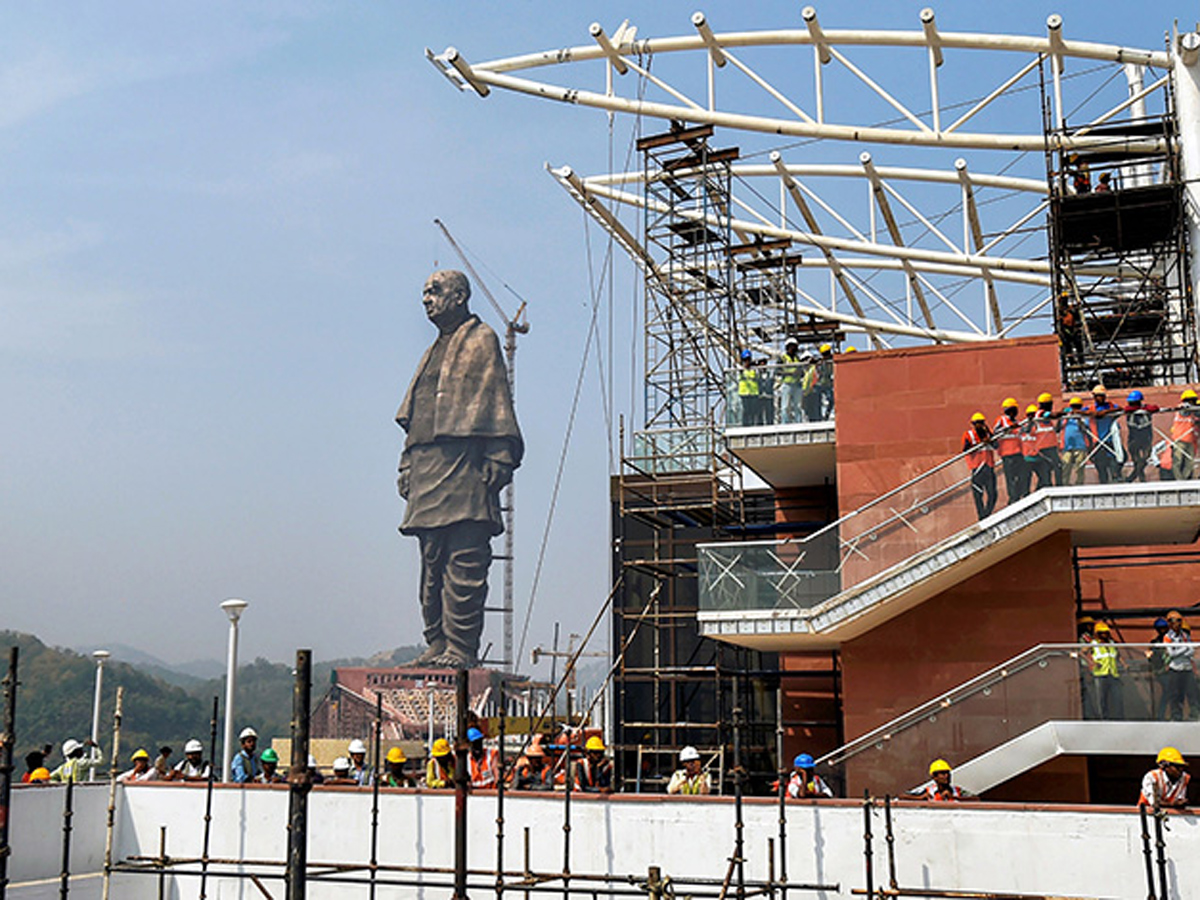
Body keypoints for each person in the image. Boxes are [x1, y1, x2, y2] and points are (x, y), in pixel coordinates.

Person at [396, 270, 524, 669]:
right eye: (424, 292)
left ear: (460, 296)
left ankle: (461, 648)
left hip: (465, 466)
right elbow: (416, 413)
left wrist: (499, 457)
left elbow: (497, 402)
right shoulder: (433, 349)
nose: (426, 300)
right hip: (427, 467)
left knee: (465, 561)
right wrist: (405, 463)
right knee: (430, 564)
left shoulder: (481, 339)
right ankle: (436, 641)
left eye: (434, 291)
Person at [1162, 611, 1200, 721]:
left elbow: (1191, 651)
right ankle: (1176, 716)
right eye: (1175, 621)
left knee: (1193, 693)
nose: (1178, 623)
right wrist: (1185, 648)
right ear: (1170, 623)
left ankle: (1195, 715)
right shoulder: (1167, 637)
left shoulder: (1185, 635)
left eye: (1179, 621)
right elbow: (1172, 653)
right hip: (1176, 669)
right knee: (1175, 695)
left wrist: (1181, 649)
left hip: (1187, 668)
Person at [962, 412, 996, 520]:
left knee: (993, 494)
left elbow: (996, 446)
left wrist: (989, 437)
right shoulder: (969, 435)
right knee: (978, 494)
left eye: (981, 423)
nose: (980, 425)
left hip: (989, 466)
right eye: (978, 423)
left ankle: (986, 514)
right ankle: (981, 516)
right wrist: (980, 444)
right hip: (977, 468)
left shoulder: (988, 434)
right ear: (973, 424)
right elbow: (966, 449)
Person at [993, 399, 1026, 503]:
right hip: (1007, 454)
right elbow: (995, 432)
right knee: (1010, 478)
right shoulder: (1001, 420)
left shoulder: (1017, 422)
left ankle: (1019, 494)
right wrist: (1008, 428)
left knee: (1022, 476)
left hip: (1018, 453)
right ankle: (1013, 498)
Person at [1090, 623, 1124, 720]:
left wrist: (1124, 664)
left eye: (1106, 632)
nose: (1105, 634)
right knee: (1101, 699)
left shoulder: (1112, 643)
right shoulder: (1094, 644)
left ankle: (1119, 718)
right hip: (1100, 675)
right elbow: (1082, 652)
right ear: (1098, 634)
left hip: (1113, 674)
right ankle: (1103, 719)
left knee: (1117, 698)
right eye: (1102, 633)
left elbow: (1117, 655)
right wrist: (1091, 663)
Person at [1087, 386, 1122, 483]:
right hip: (1098, 443)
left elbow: (1120, 409)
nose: (1100, 398)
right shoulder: (1091, 408)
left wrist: (1105, 412)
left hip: (1111, 441)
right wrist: (1094, 413)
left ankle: (1116, 482)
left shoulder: (1110, 406)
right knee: (1102, 470)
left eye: (1102, 396)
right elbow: (1081, 411)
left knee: (1115, 465)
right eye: (1098, 396)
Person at [1164, 389, 1200, 481]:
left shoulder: (1193, 412)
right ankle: (1179, 480)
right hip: (1179, 439)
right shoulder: (1182, 409)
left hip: (1190, 440)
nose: (1194, 403)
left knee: (1190, 462)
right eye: (1192, 400)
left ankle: (1183, 479)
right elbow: (1184, 411)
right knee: (1177, 461)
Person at [1030, 393, 1061, 488]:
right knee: (1055, 466)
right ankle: (1058, 485)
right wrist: (1063, 412)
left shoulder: (1047, 420)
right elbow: (1053, 415)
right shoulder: (1040, 413)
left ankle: (1048, 486)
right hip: (1044, 447)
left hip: (1051, 446)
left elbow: (1055, 430)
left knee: (1050, 468)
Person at [907, 759, 975, 802]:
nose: (947, 776)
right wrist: (920, 798)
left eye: (947, 773)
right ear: (934, 777)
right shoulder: (929, 791)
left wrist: (954, 797)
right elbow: (901, 796)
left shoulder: (957, 791)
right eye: (943, 773)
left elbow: (976, 799)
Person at [1059, 397, 1091, 486]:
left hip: (1080, 445)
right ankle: (1065, 483)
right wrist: (1064, 415)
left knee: (1080, 466)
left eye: (1077, 407)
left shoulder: (1083, 417)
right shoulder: (1066, 417)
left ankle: (1079, 483)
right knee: (1066, 466)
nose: (1075, 409)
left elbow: (1085, 429)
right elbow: (1058, 428)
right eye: (1073, 407)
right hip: (1067, 446)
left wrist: (1079, 418)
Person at [1147, 617, 1172, 719]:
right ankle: (1161, 715)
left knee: (1172, 692)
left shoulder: (1171, 640)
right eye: (1161, 628)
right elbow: (1151, 657)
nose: (1163, 630)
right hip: (1161, 672)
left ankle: (1170, 714)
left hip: (1172, 670)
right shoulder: (1155, 642)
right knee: (1168, 691)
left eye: (1164, 628)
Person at [778, 340, 805, 424]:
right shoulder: (783, 358)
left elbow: (802, 372)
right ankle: (785, 424)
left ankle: (799, 423)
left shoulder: (797, 358)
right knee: (785, 406)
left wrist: (799, 373)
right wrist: (790, 373)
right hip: (787, 384)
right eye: (792, 346)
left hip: (797, 384)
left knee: (798, 406)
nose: (794, 348)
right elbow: (778, 371)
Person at [736, 349, 762, 426]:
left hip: (754, 393)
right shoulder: (740, 369)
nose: (747, 362)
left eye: (748, 360)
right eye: (745, 360)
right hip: (744, 393)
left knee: (754, 411)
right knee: (746, 411)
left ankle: (754, 425)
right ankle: (746, 425)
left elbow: (759, 376)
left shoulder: (754, 369)